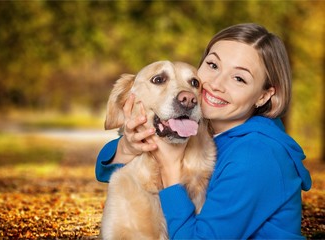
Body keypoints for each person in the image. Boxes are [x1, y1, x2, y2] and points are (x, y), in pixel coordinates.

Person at [95, 23, 312, 239]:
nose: (216, 84)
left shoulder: (256, 155)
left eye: (239, 78)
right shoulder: (208, 130)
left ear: (263, 96)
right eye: (213, 65)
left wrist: (171, 167)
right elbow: (105, 171)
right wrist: (128, 146)